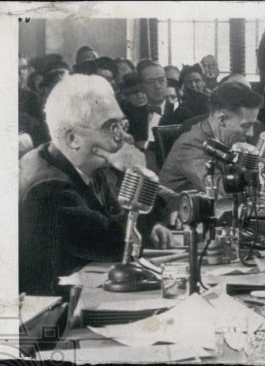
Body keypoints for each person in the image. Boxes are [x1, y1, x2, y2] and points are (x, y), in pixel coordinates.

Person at [19, 74, 174, 295]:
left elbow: (114, 220)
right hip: (55, 315)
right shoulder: (47, 190)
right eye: (111, 127)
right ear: (73, 138)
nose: (124, 137)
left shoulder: (83, 159)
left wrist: (147, 228)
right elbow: (117, 244)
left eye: (123, 124)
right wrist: (140, 171)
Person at [158, 82, 264, 192]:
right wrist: (263, 180)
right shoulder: (189, 144)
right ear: (222, 120)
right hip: (179, 207)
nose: (251, 133)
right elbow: (220, 189)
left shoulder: (230, 139)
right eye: (246, 126)